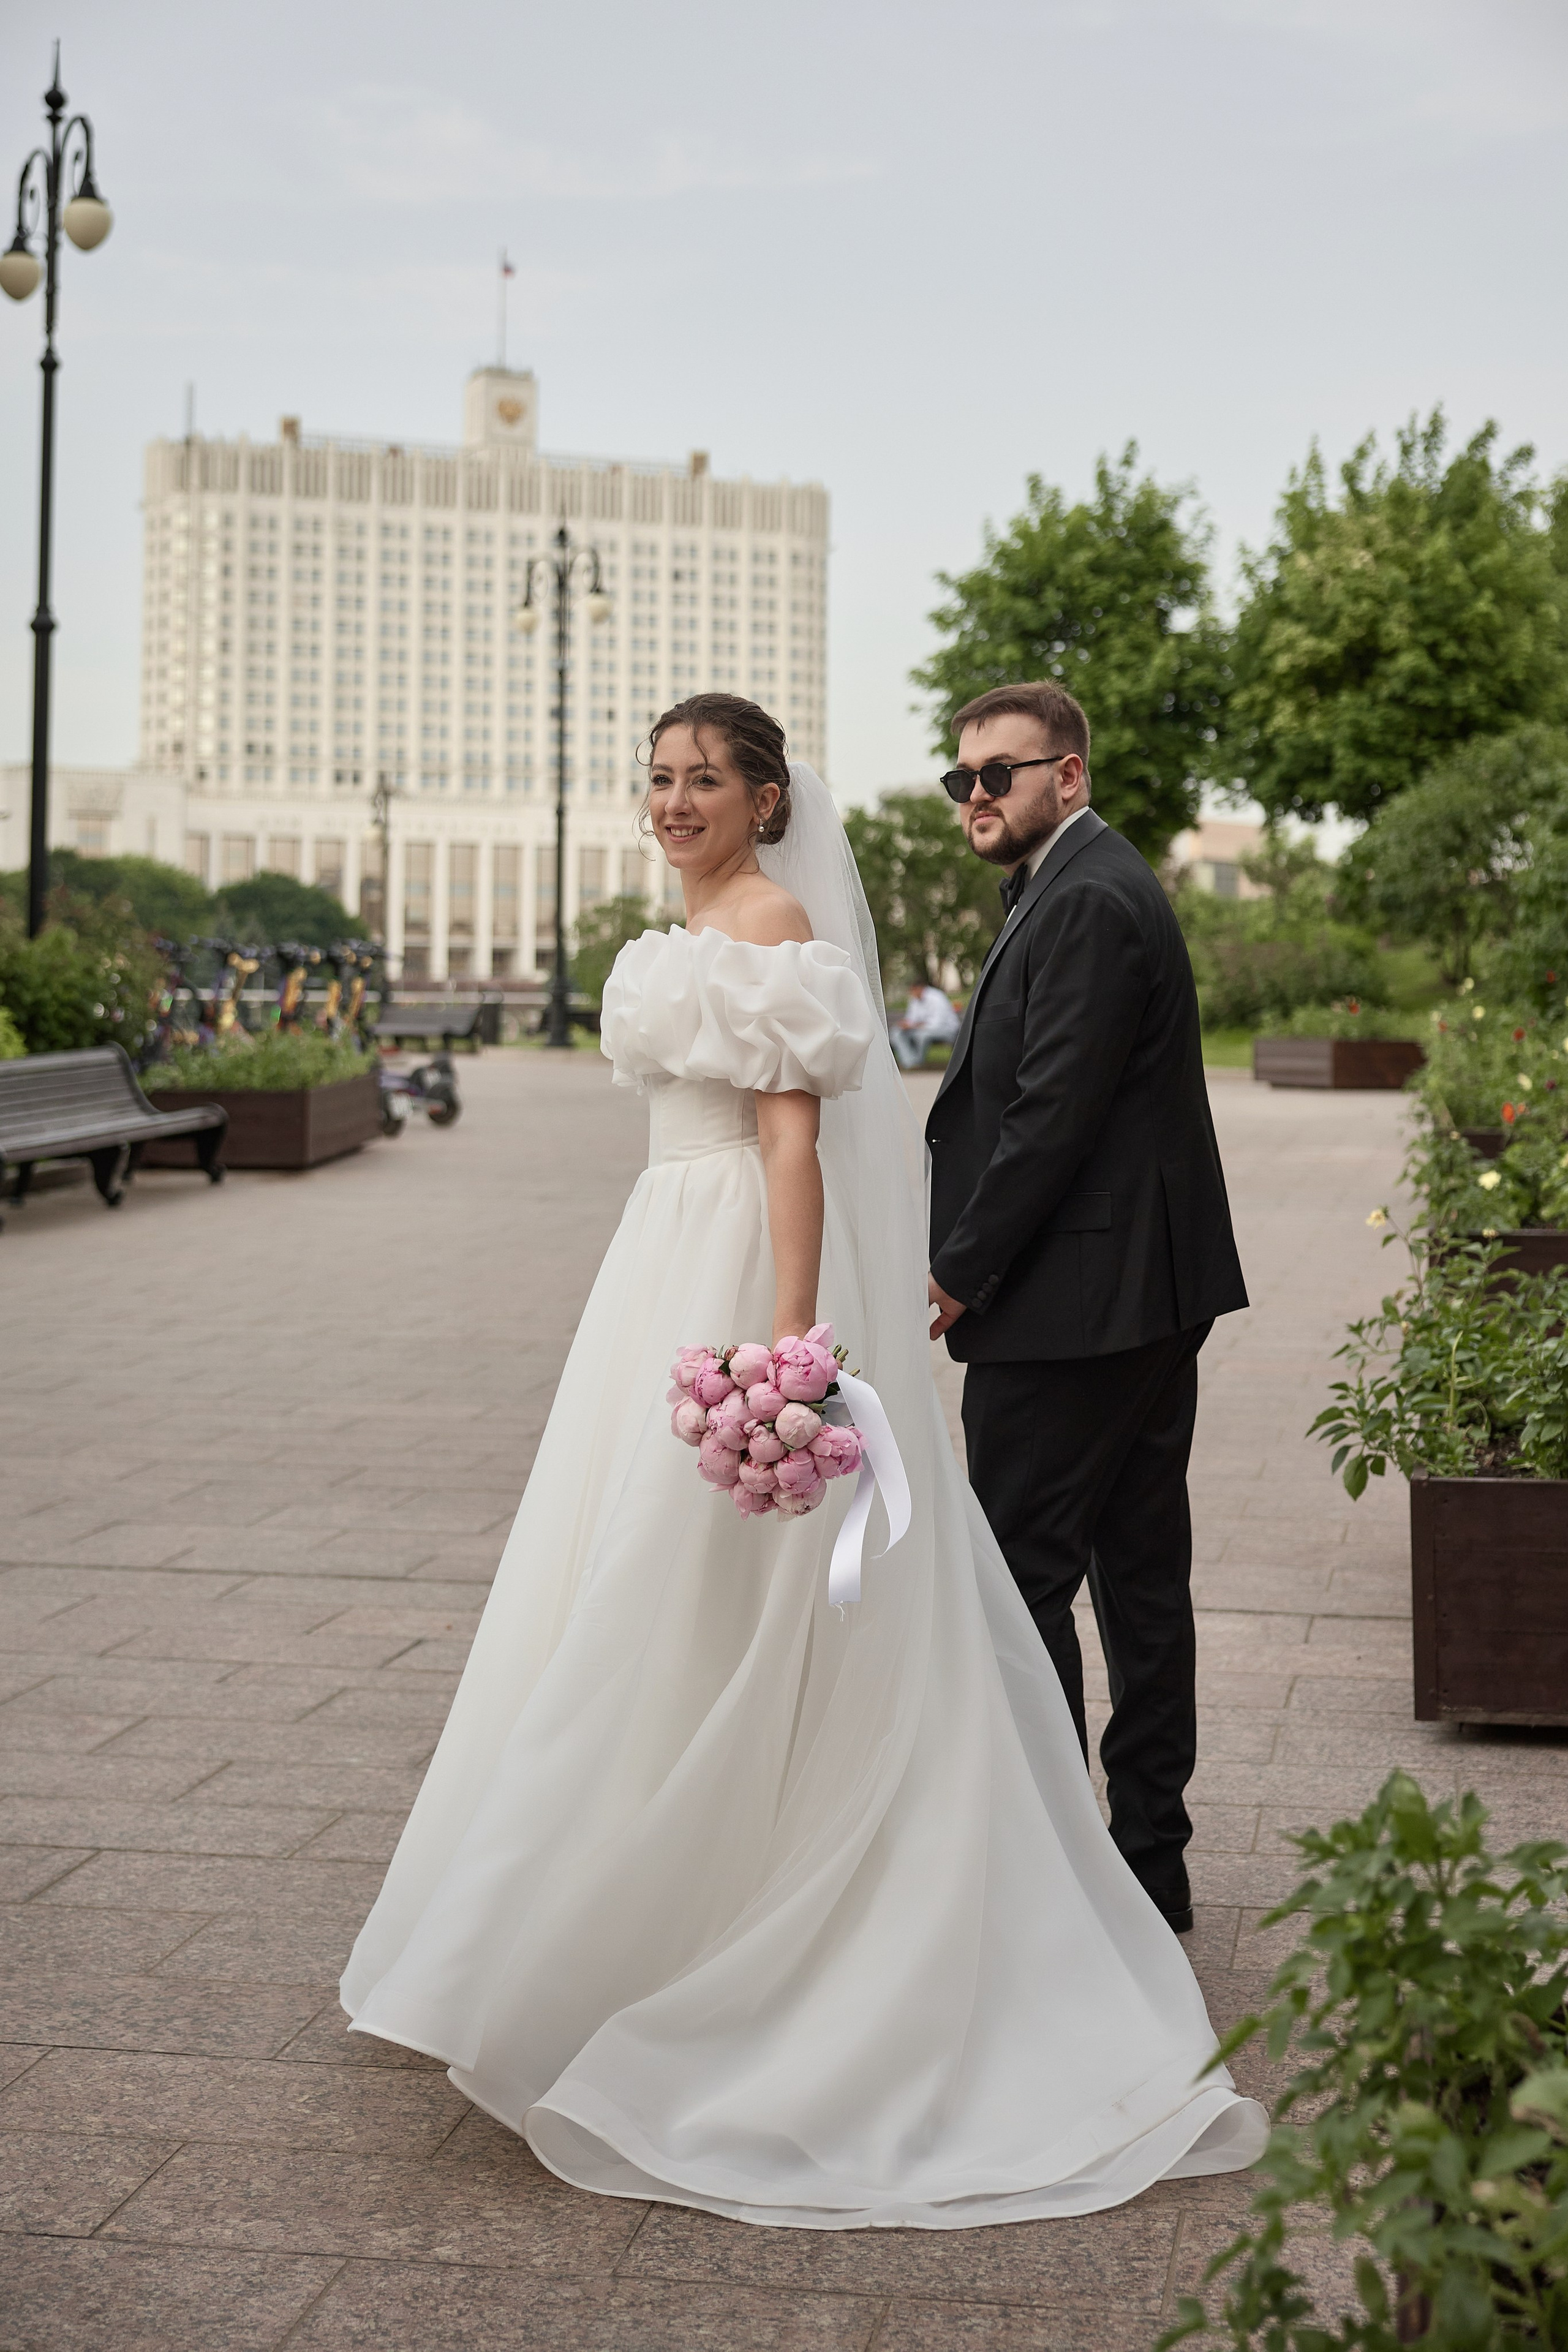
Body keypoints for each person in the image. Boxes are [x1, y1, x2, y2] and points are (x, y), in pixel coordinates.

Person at [341, 690, 1265, 2226]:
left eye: (703, 777)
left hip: (772, 1283)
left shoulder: (792, 924)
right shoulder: (744, 920)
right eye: (656, 777)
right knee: (644, 1583)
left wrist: (789, 1346)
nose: (672, 799)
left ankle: (1023, 1866)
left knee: (864, 1585)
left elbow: (818, 1140)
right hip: (660, 1260)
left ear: (768, 799)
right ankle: (1077, 1854)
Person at [925, 682, 1248, 1937]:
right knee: (1134, 1574)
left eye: (996, 775)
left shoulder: (1092, 899)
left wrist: (957, 1268)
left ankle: (1063, 1862)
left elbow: (1046, 1115)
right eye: (961, 780)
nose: (974, 799)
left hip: (1076, 1300)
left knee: (1020, 1578)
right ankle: (1140, 1864)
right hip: (1125, 1293)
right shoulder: (1076, 885)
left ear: (1065, 773)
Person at [890, 979, 961, 1069]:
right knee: (896, 1033)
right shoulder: (914, 1000)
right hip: (921, 1029)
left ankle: (918, 1063)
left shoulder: (937, 998)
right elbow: (912, 1019)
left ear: (920, 988)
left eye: (913, 990)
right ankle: (910, 1063)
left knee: (921, 1035)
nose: (912, 993)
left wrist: (915, 1026)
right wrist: (906, 1024)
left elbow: (937, 1024)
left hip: (947, 1030)